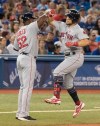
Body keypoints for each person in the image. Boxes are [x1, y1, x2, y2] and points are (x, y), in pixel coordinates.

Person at [44, 9, 90, 118]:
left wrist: (74, 42)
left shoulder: (78, 29)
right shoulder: (63, 25)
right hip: (68, 56)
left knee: (57, 72)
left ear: (74, 18)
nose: (67, 18)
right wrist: (49, 15)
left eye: (69, 17)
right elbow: (51, 21)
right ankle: (79, 104)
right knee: (68, 85)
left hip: (76, 55)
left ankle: (56, 97)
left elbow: (86, 41)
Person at [13, 12, 50, 121]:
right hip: (28, 58)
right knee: (27, 88)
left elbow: (16, 47)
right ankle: (23, 114)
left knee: (22, 87)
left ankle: (19, 112)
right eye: (31, 19)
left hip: (20, 57)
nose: (33, 20)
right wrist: (47, 13)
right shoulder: (30, 27)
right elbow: (41, 20)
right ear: (28, 20)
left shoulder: (19, 31)